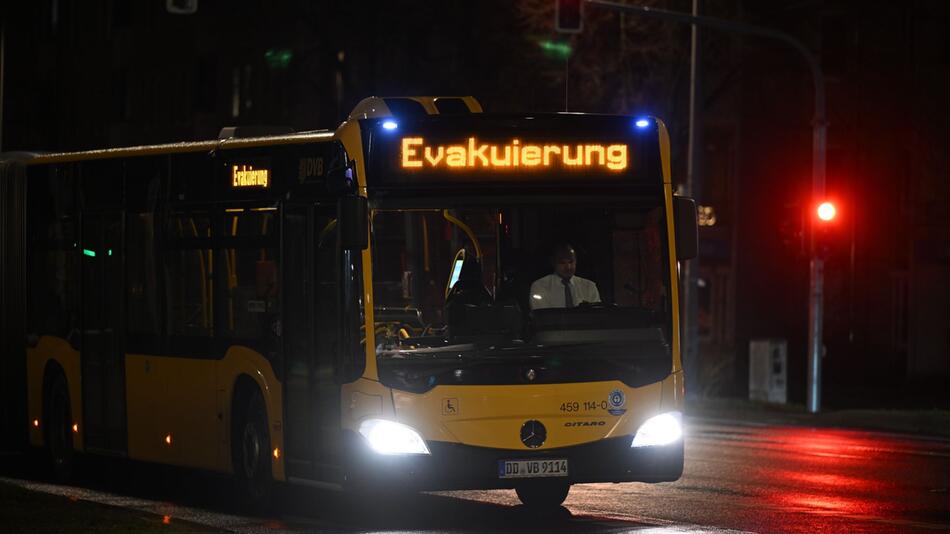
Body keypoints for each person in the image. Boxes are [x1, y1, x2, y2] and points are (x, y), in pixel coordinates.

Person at [529, 243, 600, 310]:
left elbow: (596, 316)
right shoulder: (540, 286)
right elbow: (542, 317)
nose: (568, 267)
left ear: (576, 262)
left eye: (571, 262)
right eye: (562, 263)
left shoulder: (589, 287)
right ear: (554, 263)